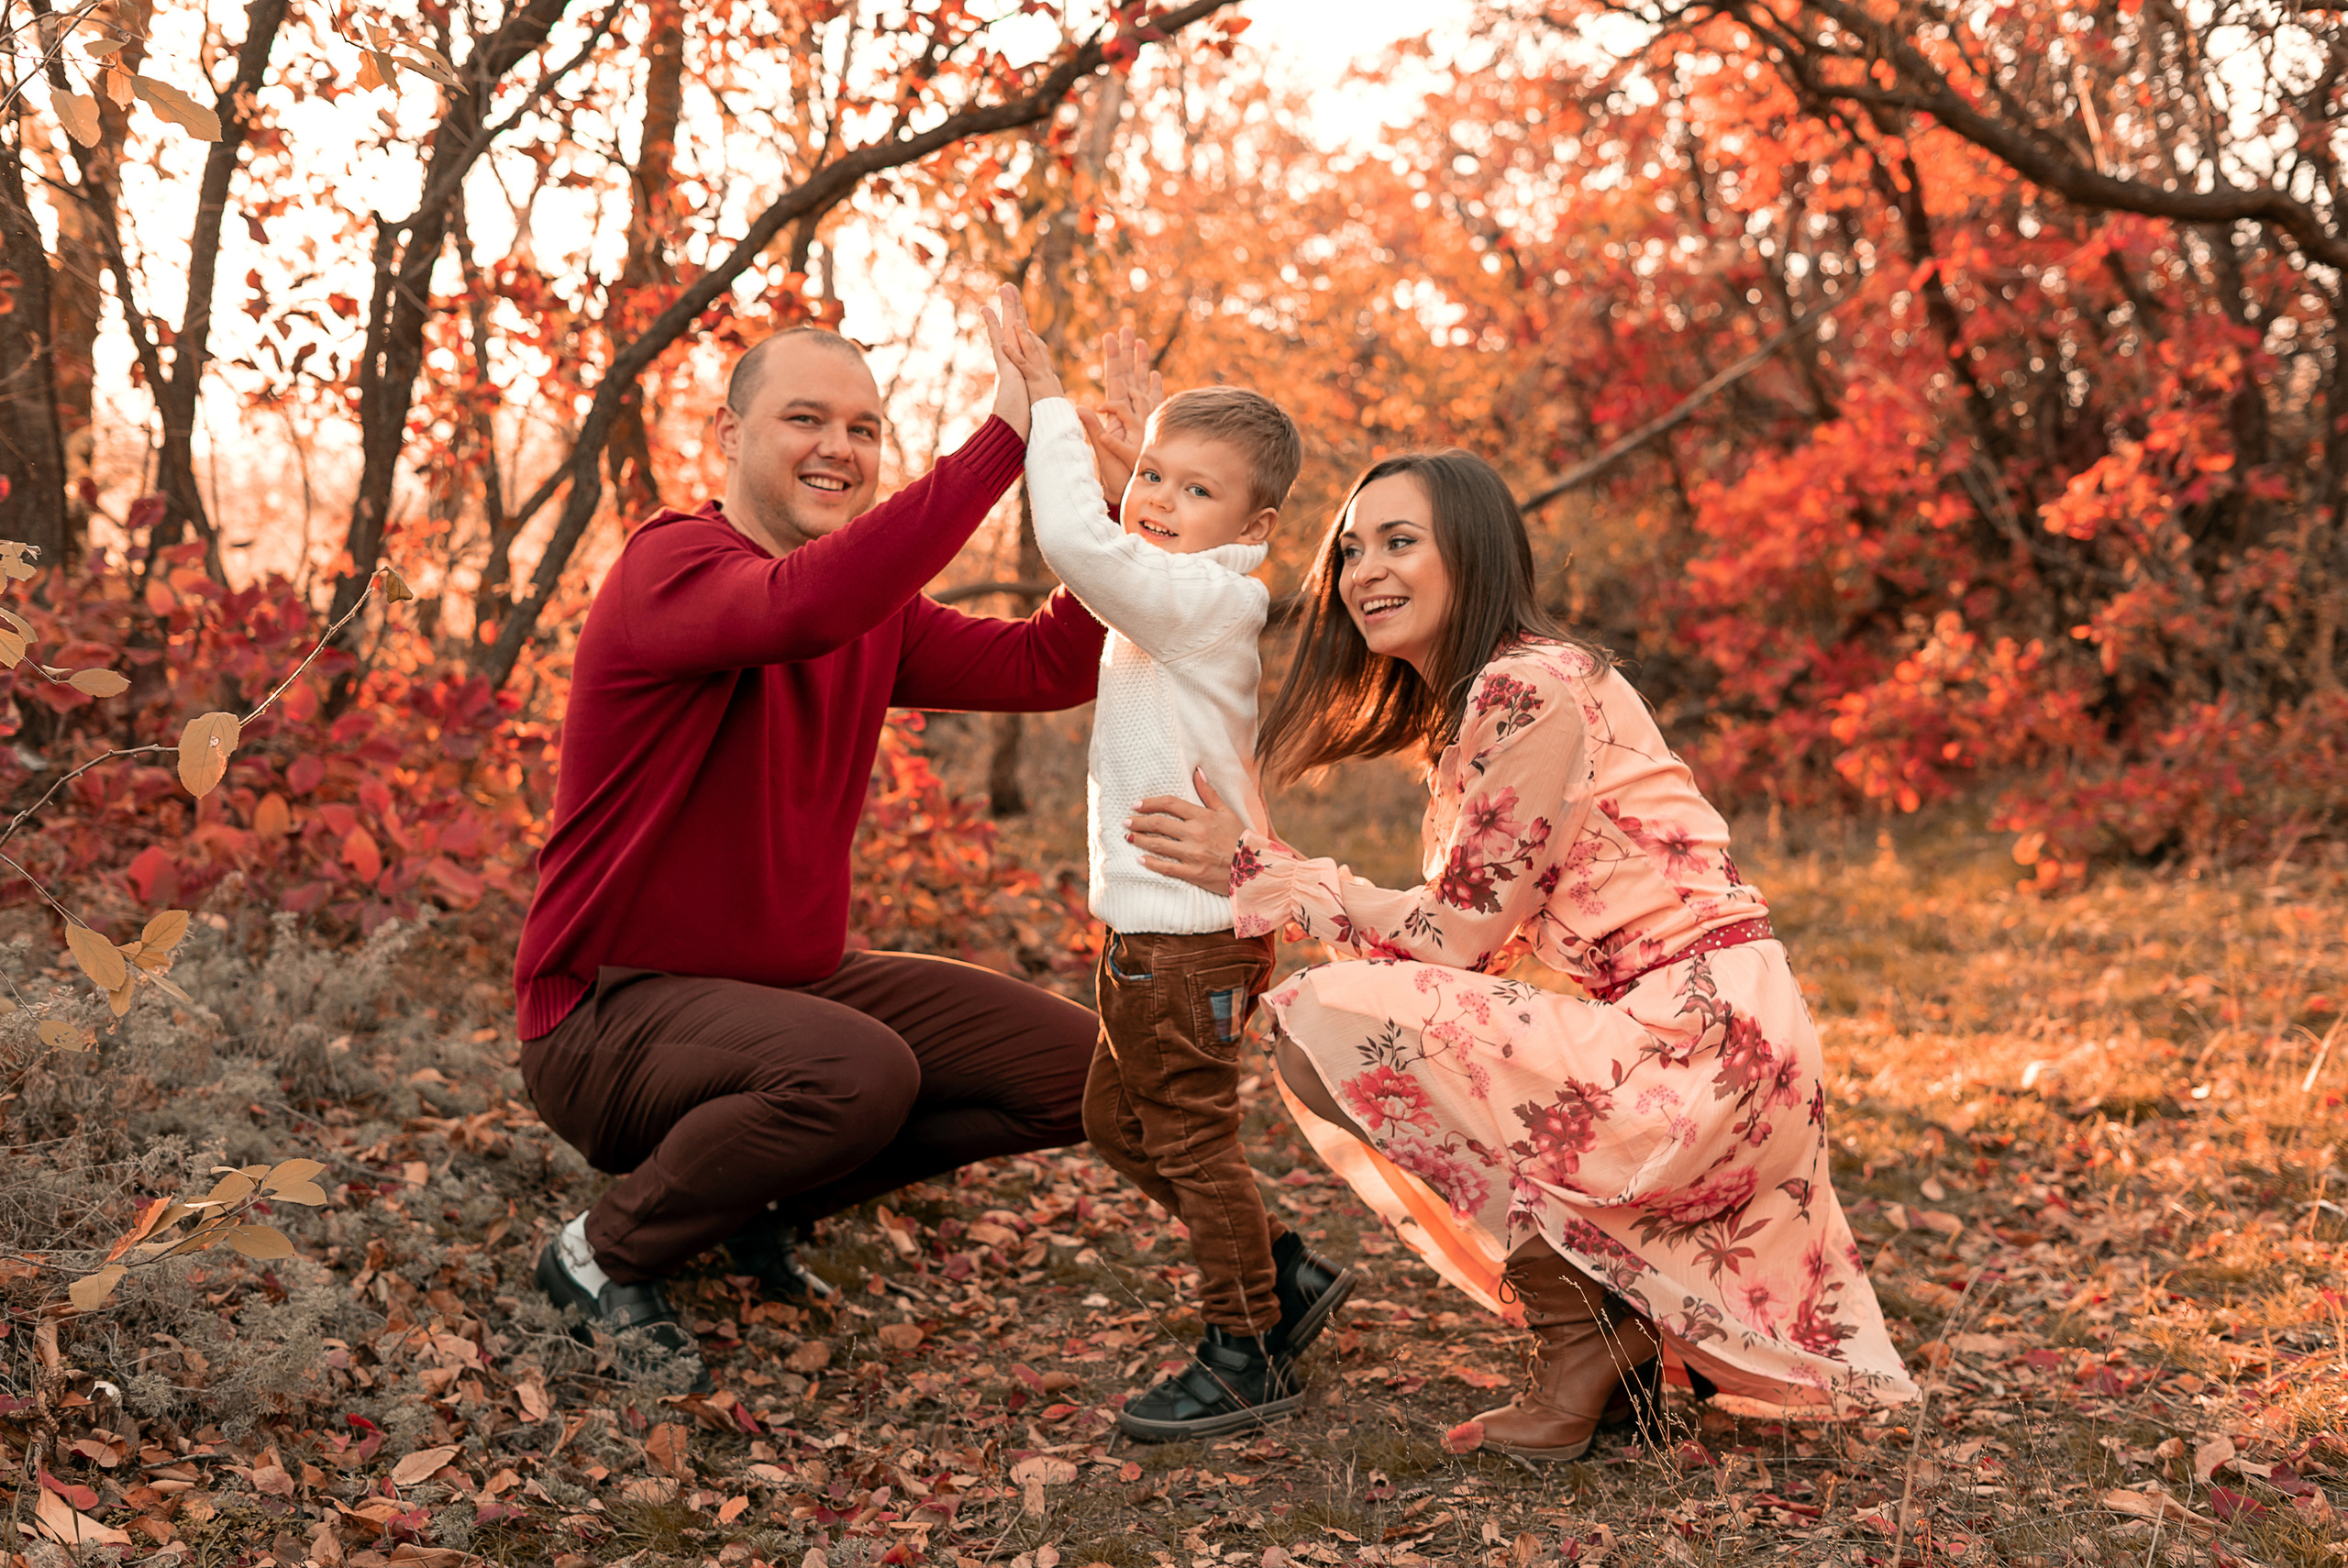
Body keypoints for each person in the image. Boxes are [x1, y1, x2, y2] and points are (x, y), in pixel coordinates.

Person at [1124, 449, 1919, 1461]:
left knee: (1324, 1021)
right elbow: (1470, 955)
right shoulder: (1507, 692)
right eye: (1352, 550)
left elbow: (1454, 938)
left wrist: (1260, 870)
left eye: (1400, 542)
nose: (1366, 571)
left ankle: (1588, 1331)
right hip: (1723, 1034)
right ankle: (1602, 1339)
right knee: (1358, 1020)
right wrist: (1139, 504)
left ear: (1473, 551)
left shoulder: (1525, 687)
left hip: (1700, 1049)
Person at [517, 290, 1114, 1391]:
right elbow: (798, 610)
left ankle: (751, 1205)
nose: (839, 447)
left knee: (1085, 1073)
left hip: (782, 997)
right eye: (805, 419)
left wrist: (1119, 511)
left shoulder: (867, 611)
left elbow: (1049, 666)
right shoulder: (671, 567)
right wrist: (1003, 438)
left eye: (864, 428)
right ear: (730, 434)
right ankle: (602, 1255)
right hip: (605, 1018)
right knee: (857, 1071)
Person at [990, 312, 1357, 1441]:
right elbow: (1132, 535)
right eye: (1154, 474)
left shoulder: (1204, 600)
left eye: (1196, 490)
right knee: (1117, 1122)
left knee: (1191, 1141)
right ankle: (1278, 1270)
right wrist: (1132, 460)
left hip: (1185, 943)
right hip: (1153, 938)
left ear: (1254, 527)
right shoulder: (1184, 577)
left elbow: (1079, 543)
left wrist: (1049, 409)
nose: (1156, 500)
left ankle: (1246, 1349)